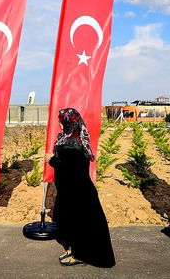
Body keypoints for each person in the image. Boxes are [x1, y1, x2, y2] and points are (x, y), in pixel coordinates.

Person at [48, 108, 116, 267]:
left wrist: (51, 160)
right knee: (75, 222)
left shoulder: (70, 144)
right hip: (76, 190)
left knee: (77, 223)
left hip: (76, 191)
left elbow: (67, 169)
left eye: (61, 120)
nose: (59, 123)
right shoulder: (76, 138)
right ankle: (74, 250)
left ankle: (79, 254)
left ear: (67, 122)